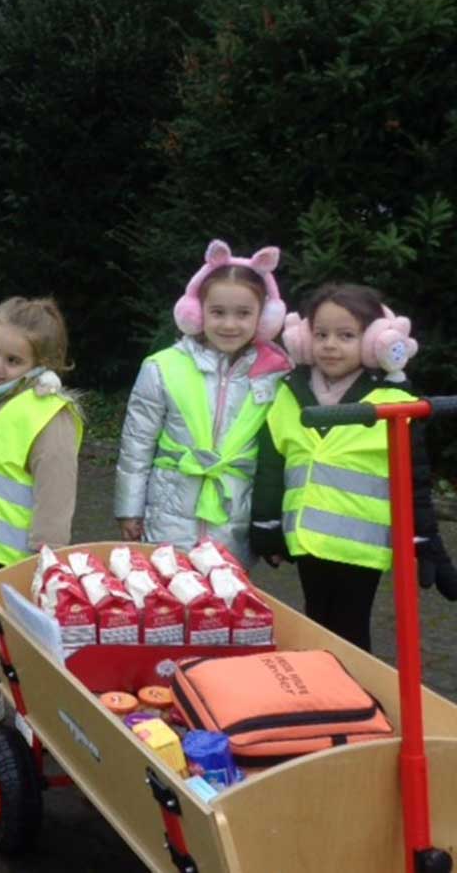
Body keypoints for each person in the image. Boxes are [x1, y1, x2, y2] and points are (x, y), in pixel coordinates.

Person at [251, 282, 457, 650]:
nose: (330, 344)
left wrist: (425, 540)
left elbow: (414, 480)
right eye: (321, 334)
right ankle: (320, 695)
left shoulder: (394, 402)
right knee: (316, 622)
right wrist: (266, 524)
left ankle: (356, 699)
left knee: (351, 630)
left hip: (360, 545)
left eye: (346, 335)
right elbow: (271, 465)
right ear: (303, 338)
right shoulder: (289, 392)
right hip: (307, 539)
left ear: (374, 341)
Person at [0, 297, 84, 737]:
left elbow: (57, 487)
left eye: (12, 360)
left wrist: (47, 549)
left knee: (27, 634)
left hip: (25, 552)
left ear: (38, 365)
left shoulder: (48, 415)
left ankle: (30, 708)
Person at [115, 239, 292, 566]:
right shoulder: (161, 367)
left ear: (264, 317)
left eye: (243, 314)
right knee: (165, 601)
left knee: (224, 607)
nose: (229, 324)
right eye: (217, 312)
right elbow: (136, 445)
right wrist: (129, 508)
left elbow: (279, 459)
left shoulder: (276, 376)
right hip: (168, 518)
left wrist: (274, 525)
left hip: (234, 519)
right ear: (196, 313)